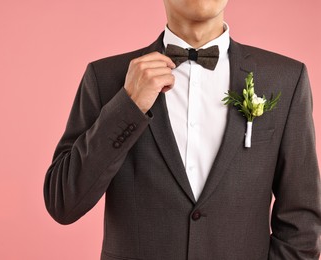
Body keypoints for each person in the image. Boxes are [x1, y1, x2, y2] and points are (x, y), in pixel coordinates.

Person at [44, 0, 321, 259]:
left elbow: (302, 220)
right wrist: (128, 105)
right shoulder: (105, 78)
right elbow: (63, 203)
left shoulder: (285, 79)